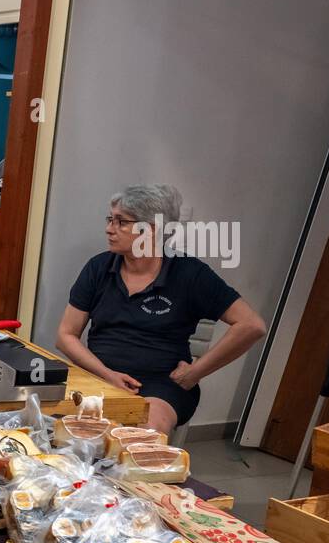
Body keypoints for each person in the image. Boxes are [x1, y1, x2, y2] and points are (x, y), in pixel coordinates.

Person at [55, 184, 265, 435]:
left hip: (159, 384)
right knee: (57, 429)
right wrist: (108, 375)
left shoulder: (189, 273)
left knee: (144, 434)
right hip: (99, 374)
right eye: (110, 219)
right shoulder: (98, 267)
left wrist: (196, 372)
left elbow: (252, 325)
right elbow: (65, 336)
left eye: (121, 222)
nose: (109, 229)